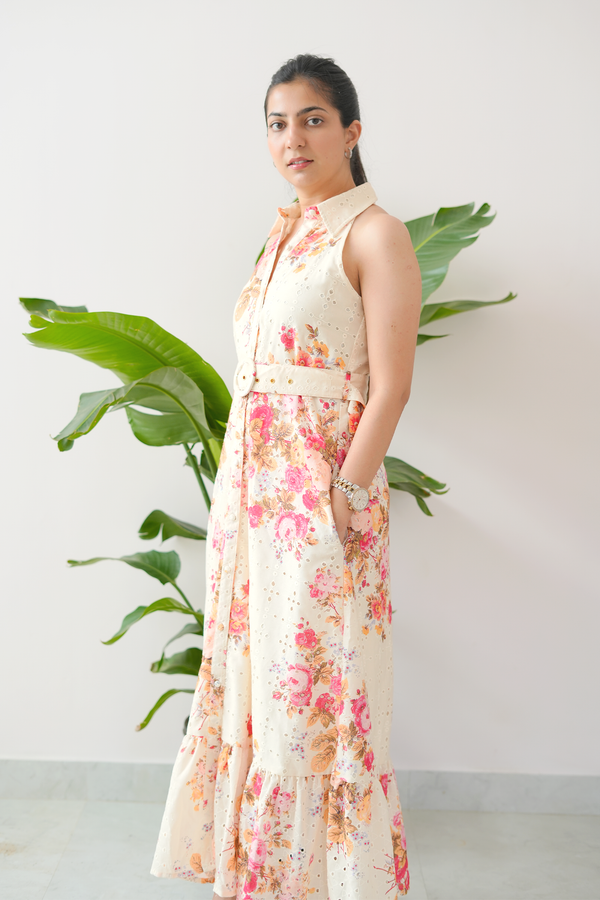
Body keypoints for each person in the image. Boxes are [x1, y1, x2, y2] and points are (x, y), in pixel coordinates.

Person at [150, 53, 421, 900]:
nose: (293, 138)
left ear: (351, 130)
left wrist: (342, 496)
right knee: (264, 691)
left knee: (320, 693)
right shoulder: (285, 230)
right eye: (276, 123)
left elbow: (391, 385)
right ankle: (266, 882)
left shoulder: (374, 231)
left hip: (321, 502)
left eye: (310, 119)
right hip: (252, 503)